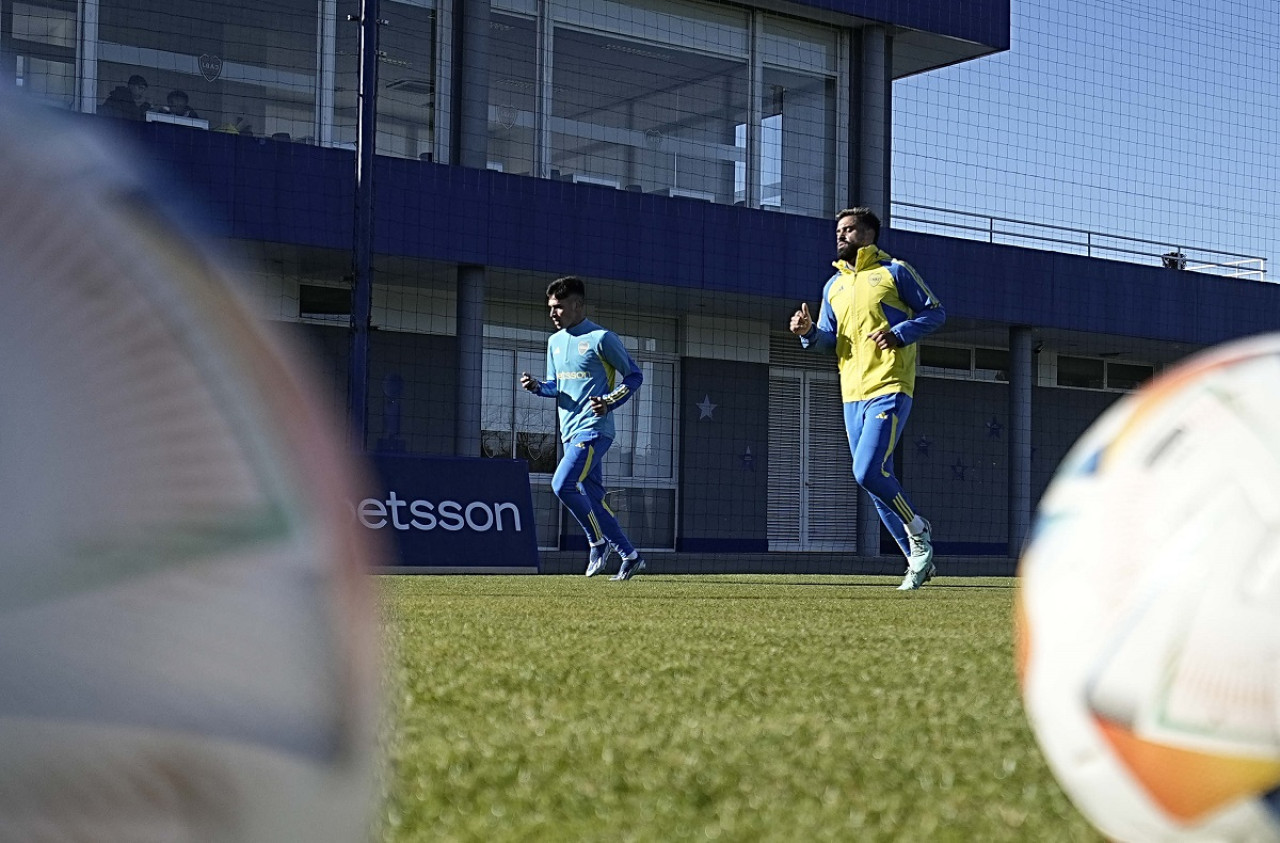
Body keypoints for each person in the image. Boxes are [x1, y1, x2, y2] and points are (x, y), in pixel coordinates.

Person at [789, 207, 946, 590]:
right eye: (839, 231)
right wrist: (808, 332)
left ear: (870, 234)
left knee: (867, 472)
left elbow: (936, 312)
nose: (842, 236)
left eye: (850, 230)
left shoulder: (895, 272)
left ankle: (919, 529)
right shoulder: (833, 286)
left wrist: (900, 333)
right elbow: (830, 341)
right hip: (851, 395)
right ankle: (917, 562)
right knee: (874, 483)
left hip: (890, 385)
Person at [521, 276, 647, 581]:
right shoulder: (554, 342)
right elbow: (557, 387)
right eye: (550, 307)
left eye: (559, 307)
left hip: (595, 430)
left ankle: (597, 543)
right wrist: (538, 387)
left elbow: (634, 376)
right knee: (593, 499)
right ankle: (630, 555)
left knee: (561, 484)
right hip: (569, 432)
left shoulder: (602, 338)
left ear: (578, 306)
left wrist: (609, 401)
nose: (553, 313)